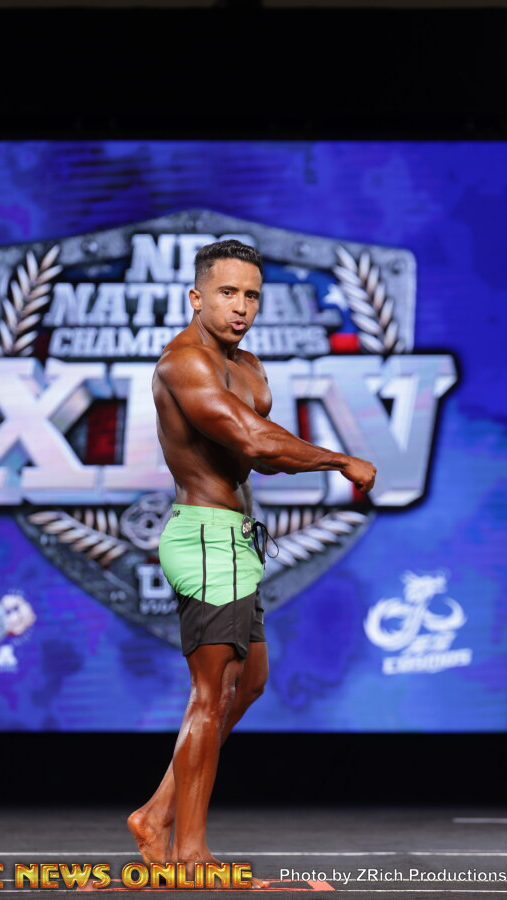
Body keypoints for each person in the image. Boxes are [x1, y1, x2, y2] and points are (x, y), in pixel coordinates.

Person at [128, 239, 376, 888]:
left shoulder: (249, 364)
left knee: (249, 684)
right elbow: (253, 441)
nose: (241, 307)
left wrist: (298, 457)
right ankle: (190, 858)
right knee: (210, 698)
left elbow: (261, 454)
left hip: (237, 541)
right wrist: (340, 460)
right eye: (227, 293)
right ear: (196, 297)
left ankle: (155, 815)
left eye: (251, 295)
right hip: (205, 539)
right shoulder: (183, 364)